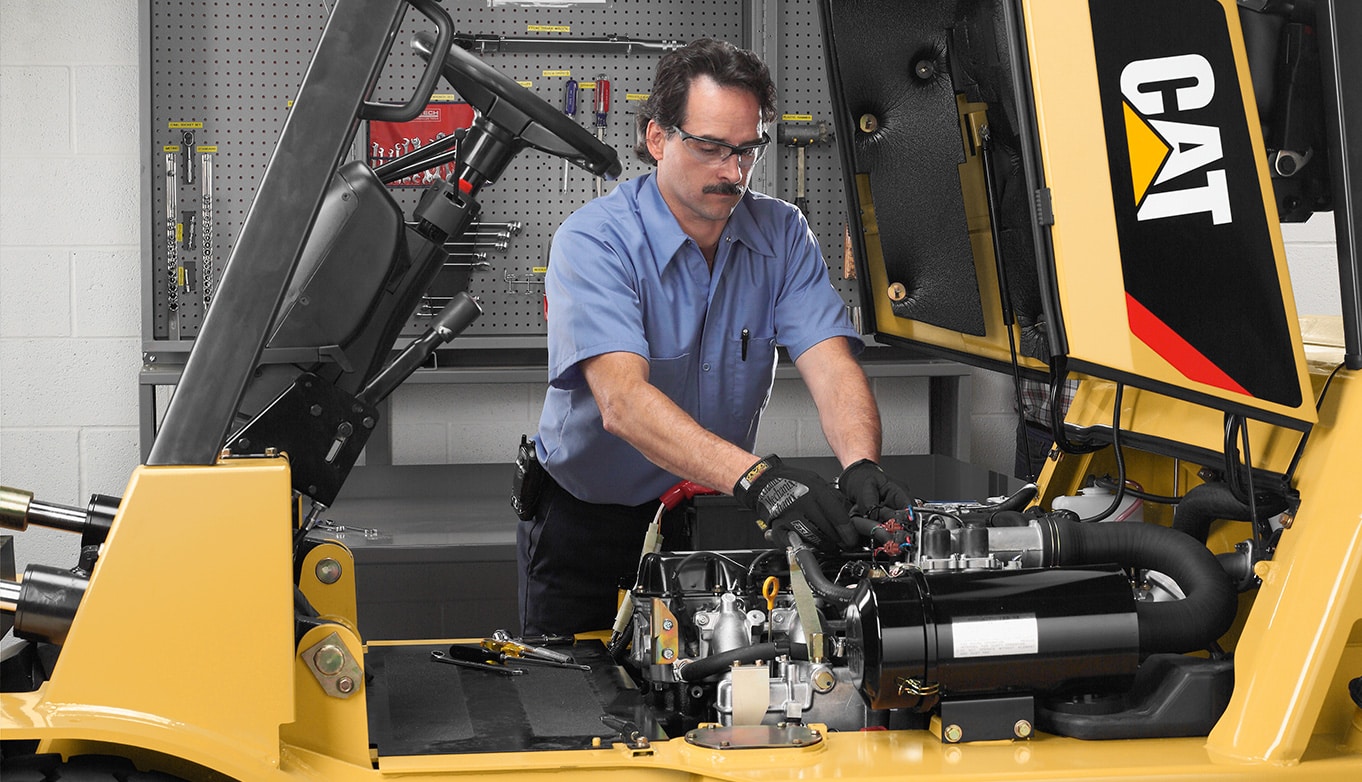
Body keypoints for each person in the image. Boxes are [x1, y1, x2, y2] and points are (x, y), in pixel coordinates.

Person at [516, 38, 911, 637]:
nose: (733, 172)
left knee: (708, 695)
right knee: (570, 707)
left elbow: (830, 365)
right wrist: (760, 479)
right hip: (585, 525)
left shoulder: (782, 233)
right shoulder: (593, 240)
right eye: (710, 148)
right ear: (657, 138)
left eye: (747, 150)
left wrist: (859, 464)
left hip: (709, 509)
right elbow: (622, 403)